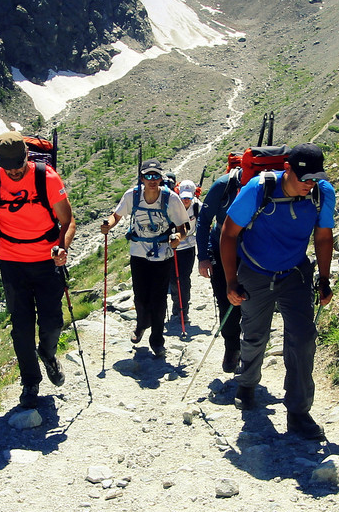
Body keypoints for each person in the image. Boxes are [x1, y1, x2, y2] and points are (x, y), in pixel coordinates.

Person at [219, 143, 335, 441]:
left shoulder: (323, 193)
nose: (310, 184)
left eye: (314, 178)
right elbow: (229, 234)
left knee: (303, 337)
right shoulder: (259, 189)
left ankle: (298, 412)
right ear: (287, 169)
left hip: (294, 273)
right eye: (304, 178)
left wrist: (324, 277)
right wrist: (231, 282)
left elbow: (323, 237)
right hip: (255, 272)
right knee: (255, 333)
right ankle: (247, 383)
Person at [0, 131, 77, 409]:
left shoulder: (47, 178)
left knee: (52, 322)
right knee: (21, 327)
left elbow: (68, 221)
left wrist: (62, 248)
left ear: (27, 156)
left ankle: (48, 354)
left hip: (46, 258)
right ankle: (30, 382)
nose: (14, 172)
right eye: (8, 168)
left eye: (19, 165)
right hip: (12, 260)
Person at [102, 158, 190, 358]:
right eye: (148, 176)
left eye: (156, 176)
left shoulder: (171, 198)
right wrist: (108, 223)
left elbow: (183, 227)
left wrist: (178, 238)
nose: (152, 180)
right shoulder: (132, 195)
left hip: (163, 255)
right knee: (140, 296)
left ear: (161, 178)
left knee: (158, 299)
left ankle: (157, 340)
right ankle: (142, 324)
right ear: (142, 178)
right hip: (138, 253)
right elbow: (117, 215)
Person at [196, 164, 244, 373]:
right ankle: (232, 347)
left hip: (255, 254)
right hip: (220, 251)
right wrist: (204, 257)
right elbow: (204, 220)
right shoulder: (223, 186)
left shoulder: (270, 184)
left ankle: (248, 351)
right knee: (226, 302)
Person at [169, 180, 201, 335]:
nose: (186, 200)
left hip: (188, 247)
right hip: (172, 247)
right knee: (172, 279)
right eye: (183, 197)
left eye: (188, 197)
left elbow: (204, 224)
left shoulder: (197, 206)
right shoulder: (172, 204)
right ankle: (177, 305)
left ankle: (183, 309)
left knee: (184, 278)